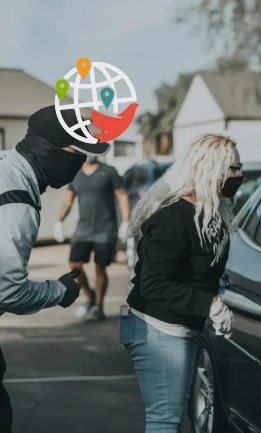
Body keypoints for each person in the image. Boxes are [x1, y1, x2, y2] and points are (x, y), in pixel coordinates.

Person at [120, 133, 240, 433]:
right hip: (159, 329)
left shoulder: (209, 212)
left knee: (173, 416)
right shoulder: (172, 216)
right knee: (165, 420)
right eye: (233, 169)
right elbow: (154, 284)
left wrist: (216, 292)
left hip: (179, 328)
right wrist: (209, 304)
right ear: (210, 169)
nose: (240, 175)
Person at [0, 105, 107, 432]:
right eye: (78, 153)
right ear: (49, 149)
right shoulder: (17, 201)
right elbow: (7, 290)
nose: (81, 162)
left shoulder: (6, 164)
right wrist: (59, 291)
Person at [53, 156, 130, 321]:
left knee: (100, 267)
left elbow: (122, 196)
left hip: (106, 229)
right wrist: (59, 221)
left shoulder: (109, 171)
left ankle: (99, 307)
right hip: (83, 230)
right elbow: (68, 201)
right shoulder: (76, 173)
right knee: (74, 264)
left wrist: (125, 222)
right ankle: (90, 296)